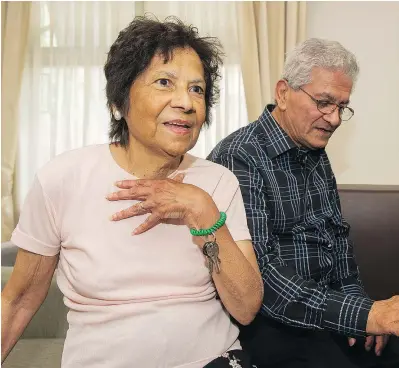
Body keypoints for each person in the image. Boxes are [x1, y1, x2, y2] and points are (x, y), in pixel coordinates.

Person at [1, 17, 263, 368]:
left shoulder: (218, 181)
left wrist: (203, 211)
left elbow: (246, 308)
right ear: (118, 101)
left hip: (212, 360)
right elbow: (18, 300)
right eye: (164, 82)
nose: (186, 102)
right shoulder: (63, 178)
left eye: (197, 89)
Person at [207, 38, 399, 368]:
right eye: (324, 102)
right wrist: (363, 315)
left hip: (322, 317)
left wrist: (358, 307)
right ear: (282, 93)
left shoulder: (315, 152)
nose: (334, 119)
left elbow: (337, 244)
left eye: (342, 107)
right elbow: (263, 278)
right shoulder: (240, 157)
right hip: (270, 328)